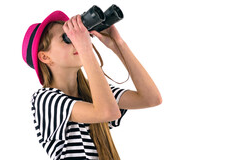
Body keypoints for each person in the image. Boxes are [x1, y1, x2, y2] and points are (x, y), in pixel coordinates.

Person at [22, 10, 162, 160]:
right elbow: (107, 112)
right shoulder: (44, 99)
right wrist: (84, 48)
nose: (76, 41)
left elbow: (150, 98)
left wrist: (118, 45)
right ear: (45, 57)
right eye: (67, 39)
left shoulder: (92, 92)